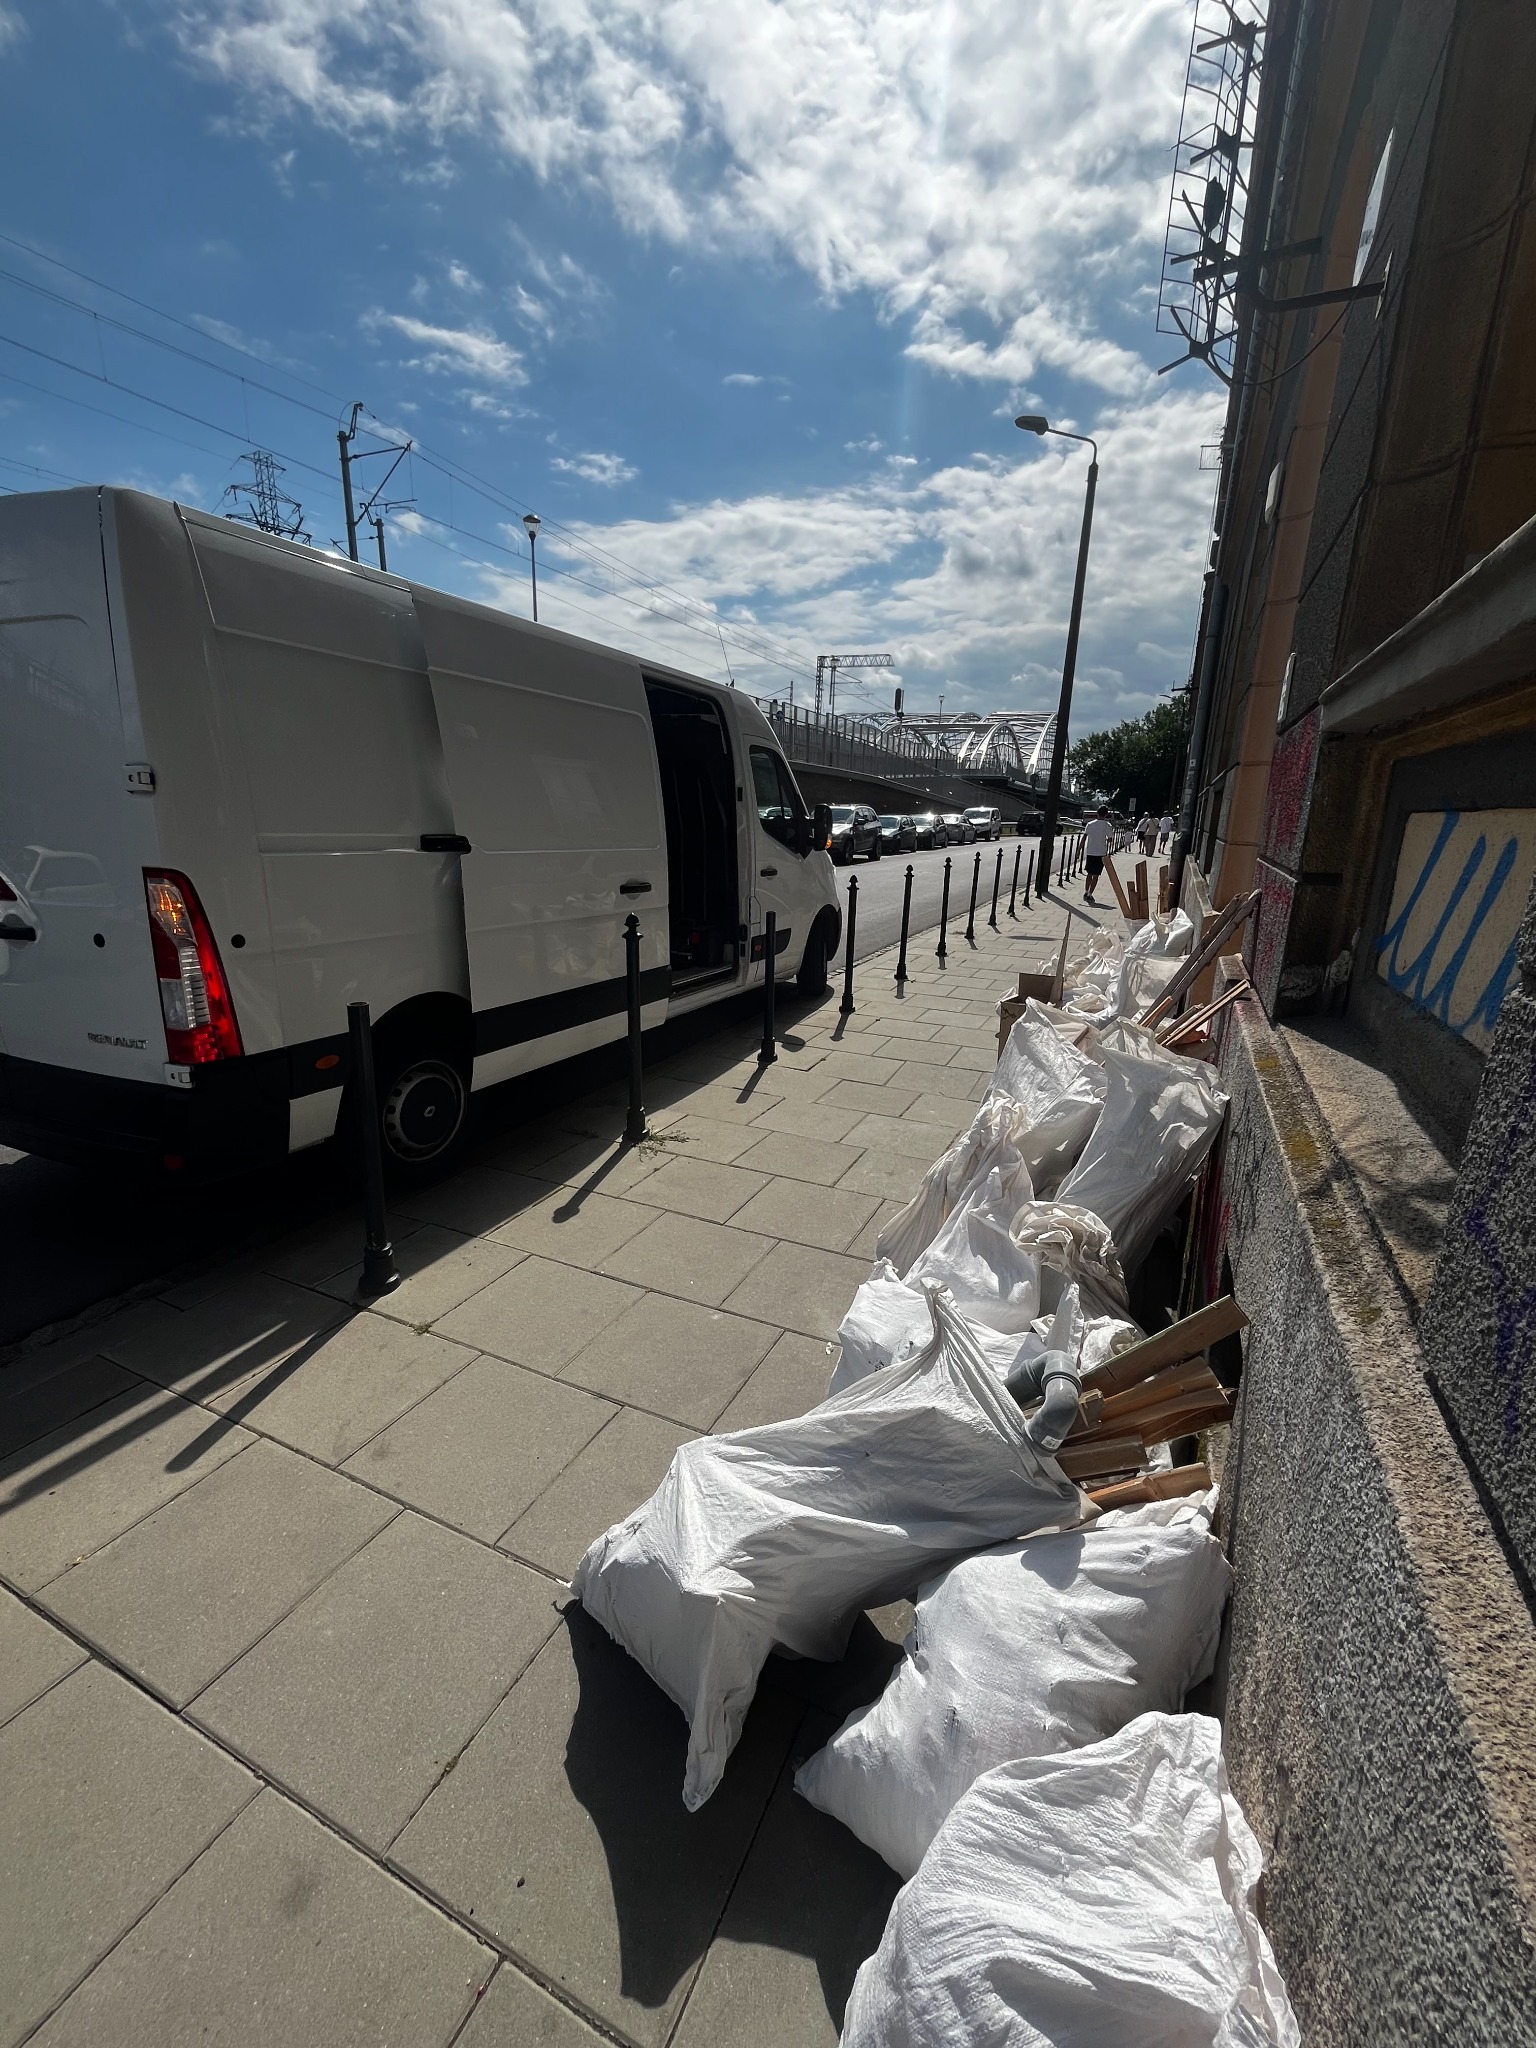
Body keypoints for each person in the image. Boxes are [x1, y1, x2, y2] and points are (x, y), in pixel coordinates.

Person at [1082, 805, 1111, 904]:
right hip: (1101, 852)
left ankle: (1086, 891)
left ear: (1097, 813)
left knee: (1089, 873)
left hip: (1090, 852)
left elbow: (1084, 837)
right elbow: (1110, 839)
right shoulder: (1107, 825)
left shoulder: (1090, 824)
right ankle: (1090, 893)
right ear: (1106, 814)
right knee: (1096, 875)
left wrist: (1079, 850)